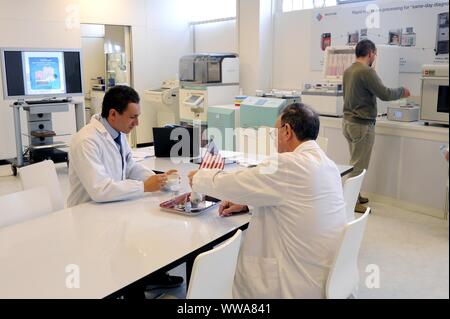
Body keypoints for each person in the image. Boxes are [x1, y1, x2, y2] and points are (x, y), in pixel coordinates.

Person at [188, 103, 347, 299]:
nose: (275, 141)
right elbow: (296, 199)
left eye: (275, 134)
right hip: (324, 274)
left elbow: (238, 183)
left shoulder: (288, 164)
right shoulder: (327, 164)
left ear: (287, 131)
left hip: (294, 282)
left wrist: (200, 178)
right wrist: (248, 204)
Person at [67, 85, 182, 295]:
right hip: (88, 217)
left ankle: (147, 279)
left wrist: (156, 179)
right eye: (133, 117)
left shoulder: (118, 133)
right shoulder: (86, 141)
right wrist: (143, 187)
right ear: (113, 114)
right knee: (111, 268)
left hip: (112, 210)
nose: (137, 123)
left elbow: (129, 166)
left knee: (147, 238)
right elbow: (100, 189)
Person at [342, 39, 411, 213]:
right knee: (359, 166)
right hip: (362, 125)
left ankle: (355, 196)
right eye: (375, 54)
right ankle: (350, 202)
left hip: (348, 122)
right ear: (371, 53)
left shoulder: (349, 70)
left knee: (354, 162)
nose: (375, 57)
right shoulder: (366, 71)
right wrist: (402, 91)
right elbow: (385, 94)